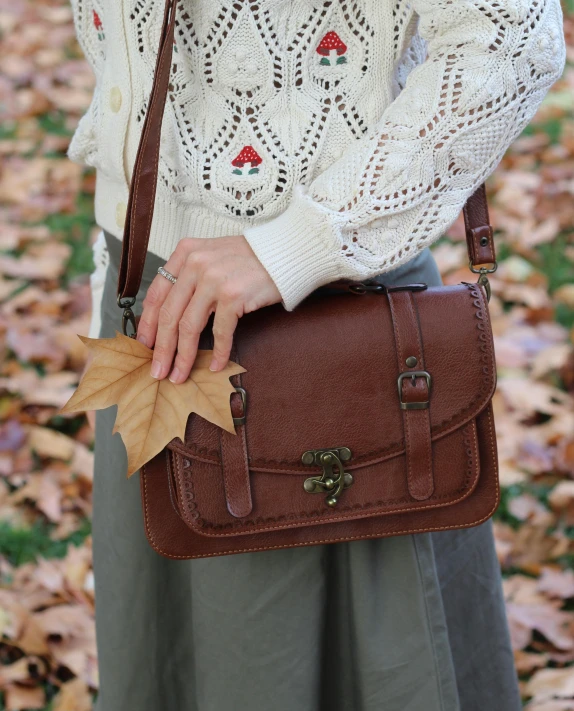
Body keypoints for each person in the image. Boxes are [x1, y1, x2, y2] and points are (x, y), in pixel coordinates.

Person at [68, 1, 566, 709]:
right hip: (155, 324)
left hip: (345, 335)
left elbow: (514, 37)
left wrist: (300, 243)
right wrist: (114, 272)